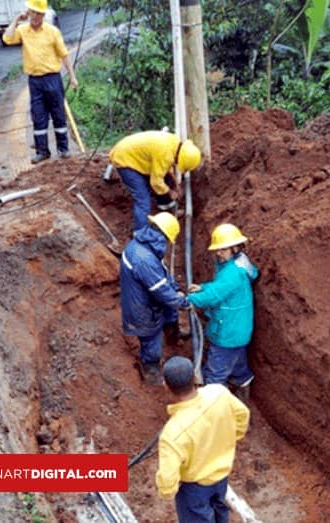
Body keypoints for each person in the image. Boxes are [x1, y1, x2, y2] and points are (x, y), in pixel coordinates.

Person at [156, 356, 250, 522]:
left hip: (194, 489)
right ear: (195, 378)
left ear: (166, 386)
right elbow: (243, 414)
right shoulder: (219, 393)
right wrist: (232, 436)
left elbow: (168, 478)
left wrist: (167, 491)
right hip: (221, 475)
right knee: (220, 510)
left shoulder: (172, 434)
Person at [187, 224, 259, 402]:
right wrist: (203, 287)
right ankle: (242, 389)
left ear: (235, 248)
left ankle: (214, 408)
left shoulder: (232, 273)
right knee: (238, 364)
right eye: (217, 249)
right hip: (238, 330)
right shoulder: (239, 264)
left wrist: (186, 300)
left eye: (223, 249)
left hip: (227, 333)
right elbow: (221, 288)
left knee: (214, 375)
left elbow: (214, 296)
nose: (219, 253)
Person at [2, 0, 77, 164]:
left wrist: (72, 76)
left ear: (43, 14)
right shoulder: (22, 30)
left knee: (58, 113)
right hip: (35, 81)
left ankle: (63, 149)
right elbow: (7, 38)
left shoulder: (52, 32)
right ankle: (42, 151)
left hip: (53, 78)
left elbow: (64, 54)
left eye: (38, 13)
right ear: (28, 12)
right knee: (38, 115)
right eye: (32, 12)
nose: (35, 16)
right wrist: (16, 20)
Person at [119, 212, 190, 385]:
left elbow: (162, 274)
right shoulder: (144, 259)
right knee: (151, 337)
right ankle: (150, 367)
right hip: (141, 307)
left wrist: (175, 289)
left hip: (145, 296)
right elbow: (160, 290)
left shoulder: (143, 246)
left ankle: (172, 333)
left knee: (168, 309)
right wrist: (182, 301)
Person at [108, 131, 203, 232]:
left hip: (132, 153)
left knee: (165, 179)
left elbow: (166, 168)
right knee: (143, 199)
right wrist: (170, 192)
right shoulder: (164, 153)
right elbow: (156, 182)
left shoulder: (174, 144)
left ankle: (166, 209)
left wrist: (176, 184)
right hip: (124, 159)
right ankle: (140, 232)